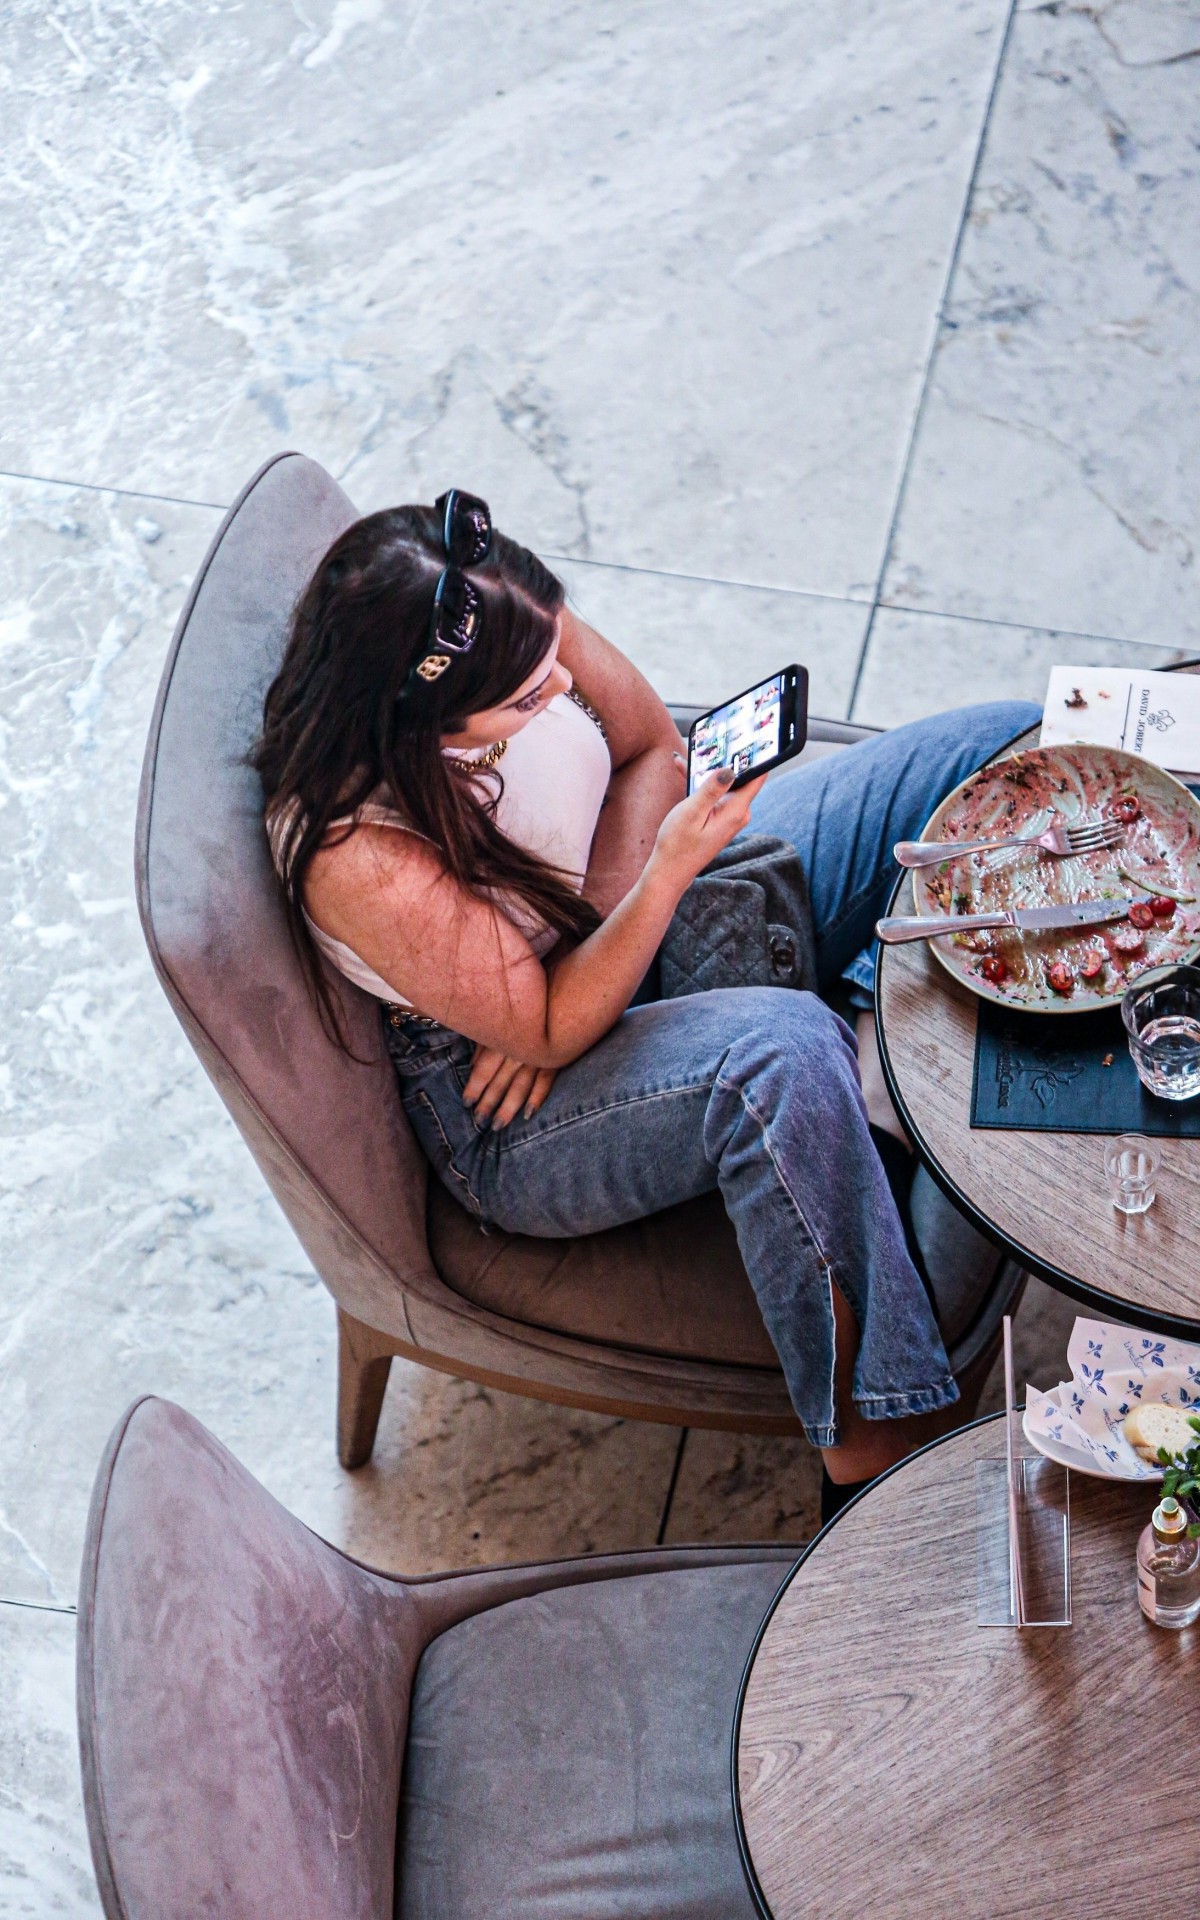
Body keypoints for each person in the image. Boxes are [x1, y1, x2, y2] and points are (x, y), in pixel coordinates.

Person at [254, 489, 1039, 1514]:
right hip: (509, 1110)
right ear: (420, 729)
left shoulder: (499, 613)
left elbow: (653, 747)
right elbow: (540, 1030)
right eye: (529, 701)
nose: (562, 684)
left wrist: (595, 942)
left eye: (554, 665)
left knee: (996, 748)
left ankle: (870, 1024)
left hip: (599, 945)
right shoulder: (356, 851)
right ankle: (878, 1459)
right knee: (785, 1052)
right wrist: (645, 896)